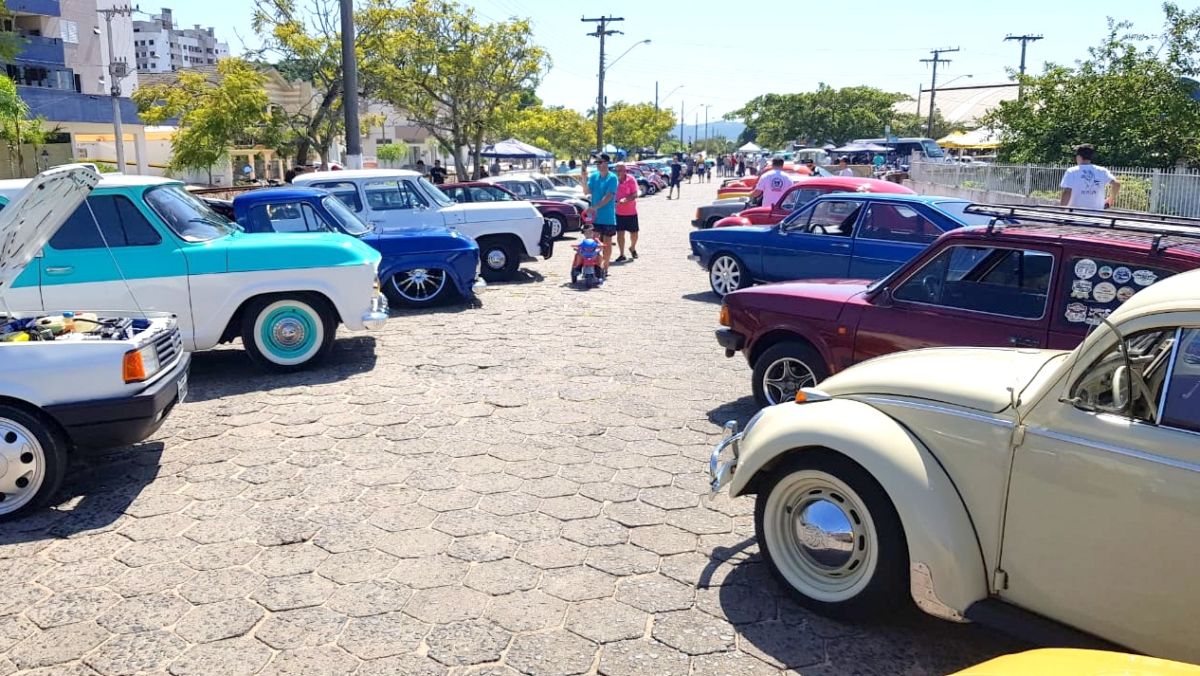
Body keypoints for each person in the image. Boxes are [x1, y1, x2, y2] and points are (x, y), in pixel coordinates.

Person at [581, 153, 619, 276]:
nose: (599, 165)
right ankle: (596, 266)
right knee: (594, 242)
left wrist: (595, 207)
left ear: (607, 163)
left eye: (601, 162)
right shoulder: (594, 177)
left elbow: (609, 196)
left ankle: (606, 266)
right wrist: (584, 179)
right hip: (595, 218)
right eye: (597, 163)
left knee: (607, 243)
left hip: (607, 216)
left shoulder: (612, 178)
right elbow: (587, 191)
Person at [1060, 144, 1121, 210]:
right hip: (1097, 216)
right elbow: (1116, 184)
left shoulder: (1071, 171)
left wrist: (1062, 210)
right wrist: (1110, 199)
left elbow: (1067, 192)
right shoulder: (1102, 171)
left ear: (1079, 157)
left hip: (1074, 215)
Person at [613, 162, 640, 262]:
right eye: (617, 170)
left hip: (631, 212)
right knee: (620, 234)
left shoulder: (631, 180)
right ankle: (621, 254)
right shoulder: (614, 181)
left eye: (620, 170)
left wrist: (626, 199)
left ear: (625, 171)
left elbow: (635, 194)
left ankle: (632, 247)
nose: (618, 172)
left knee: (634, 234)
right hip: (619, 213)